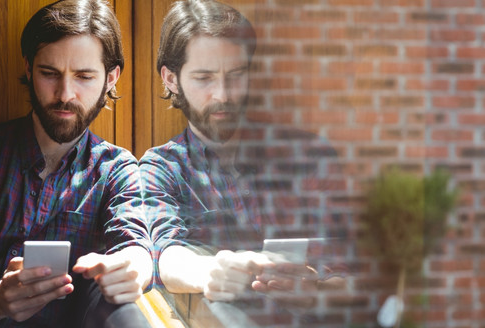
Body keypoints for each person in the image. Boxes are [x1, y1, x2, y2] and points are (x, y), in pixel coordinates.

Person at [0, 1, 153, 328]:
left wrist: (135, 267)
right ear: (29, 68)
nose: (65, 94)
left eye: (84, 76)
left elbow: (135, 244)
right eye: (50, 73)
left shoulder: (115, 170)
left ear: (111, 78)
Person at [140, 0, 344, 305]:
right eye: (204, 78)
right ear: (171, 79)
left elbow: (351, 271)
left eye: (236, 75)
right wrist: (219, 271)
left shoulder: (310, 156)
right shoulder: (162, 169)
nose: (223, 94)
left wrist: (317, 292)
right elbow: (167, 259)